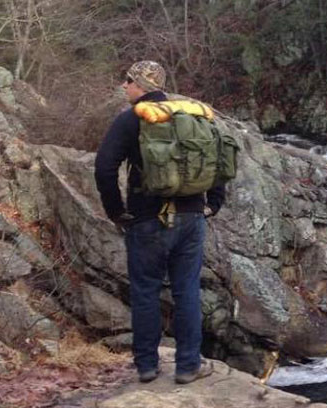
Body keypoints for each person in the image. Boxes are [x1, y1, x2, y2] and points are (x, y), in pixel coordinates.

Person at [94, 60, 224, 384]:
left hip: (147, 219)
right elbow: (215, 160)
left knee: (146, 292)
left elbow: (104, 168)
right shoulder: (190, 115)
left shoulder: (130, 120)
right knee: (187, 291)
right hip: (191, 216)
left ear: (141, 84)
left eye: (128, 80)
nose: (124, 86)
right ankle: (188, 366)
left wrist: (115, 211)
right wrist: (214, 203)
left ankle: (148, 367)